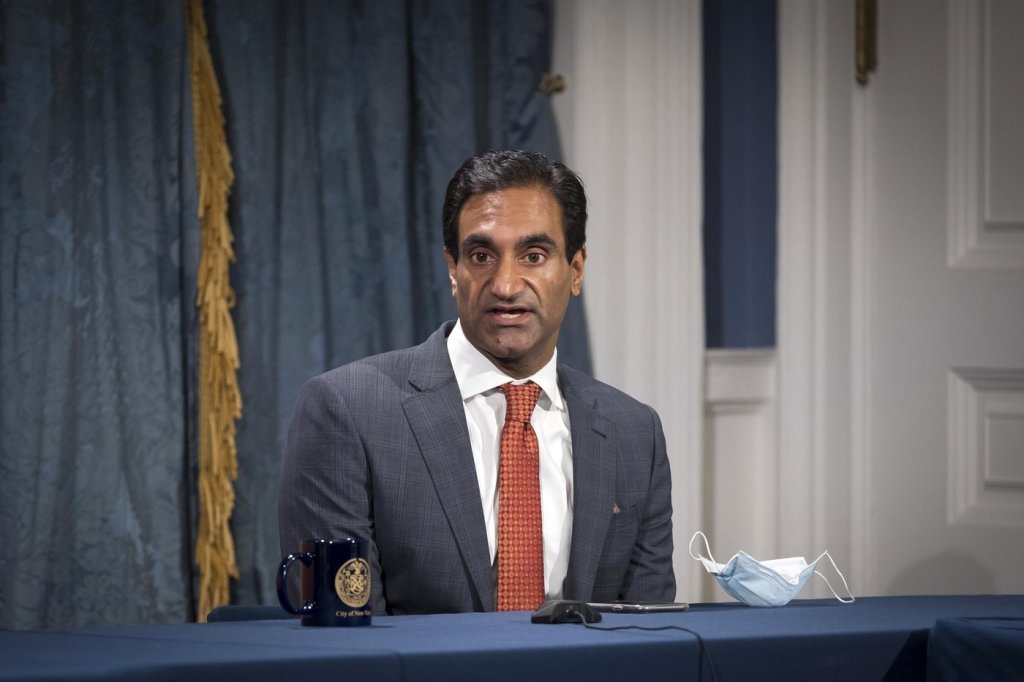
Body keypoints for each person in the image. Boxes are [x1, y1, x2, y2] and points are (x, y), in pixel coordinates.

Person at [278, 149, 674, 615]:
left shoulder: (634, 433)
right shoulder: (347, 411)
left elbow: (649, 631)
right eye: (482, 256)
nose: (505, 285)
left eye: (534, 256)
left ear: (576, 269)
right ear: (453, 269)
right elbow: (343, 632)